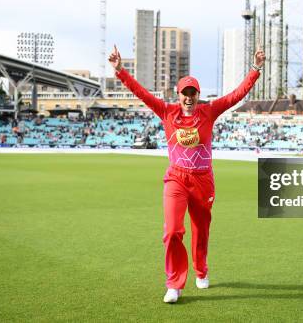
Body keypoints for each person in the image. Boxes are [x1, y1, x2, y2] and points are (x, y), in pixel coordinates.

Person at [109, 44, 265, 303]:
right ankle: (174, 284)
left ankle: (201, 270)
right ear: (178, 94)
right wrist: (121, 71)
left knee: (200, 230)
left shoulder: (209, 111)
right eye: (185, 93)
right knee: (172, 231)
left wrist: (256, 68)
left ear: (198, 94)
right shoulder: (167, 112)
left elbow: (237, 95)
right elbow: (142, 94)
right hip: (176, 179)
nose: (189, 98)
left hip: (203, 180)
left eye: (193, 93)